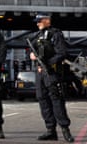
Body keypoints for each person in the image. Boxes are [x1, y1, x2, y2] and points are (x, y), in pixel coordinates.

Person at [29, 12, 75, 143]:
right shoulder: (36, 36)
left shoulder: (56, 34)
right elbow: (32, 50)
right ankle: (51, 130)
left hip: (52, 72)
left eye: (39, 21)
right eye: (37, 21)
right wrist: (32, 55)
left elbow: (62, 53)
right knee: (43, 101)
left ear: (47, 20)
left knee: (56, 101)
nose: (37, 23)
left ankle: (65, 130)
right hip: (40, 73)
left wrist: (48, 63)